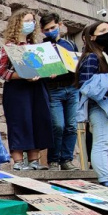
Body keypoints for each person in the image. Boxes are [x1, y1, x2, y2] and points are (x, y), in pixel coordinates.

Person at [0, 9, 52, 171]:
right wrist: (21, 75)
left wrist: (50, 71)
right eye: (27, 20)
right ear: (18, 24)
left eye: (32, 21)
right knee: (20, 121)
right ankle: (18, 161)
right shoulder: (9, 47)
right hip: (17, 90)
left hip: (37, 87)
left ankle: (34, 160)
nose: (31, 24)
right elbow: (0, 71)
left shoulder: (36, 47)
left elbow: (43, 67)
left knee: (37, 120)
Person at [76, 21, 108, 187]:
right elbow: (86, 84)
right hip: (101, 107)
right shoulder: (91, 57)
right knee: (103, 143)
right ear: (92, 37)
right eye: (103, 30)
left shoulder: (107, 58)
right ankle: (106, 180)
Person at [40, 12, 79, 171]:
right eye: (47, 29)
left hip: (72, 88)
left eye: (53, 27)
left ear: (60, 25)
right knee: (58, 125)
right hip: (54, 90)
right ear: (43, 30)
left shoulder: (69, 45)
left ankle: (66, 159)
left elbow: (76, 64)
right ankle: (53, 160)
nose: (51, 31)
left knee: (71, 126)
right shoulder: (41, 48)